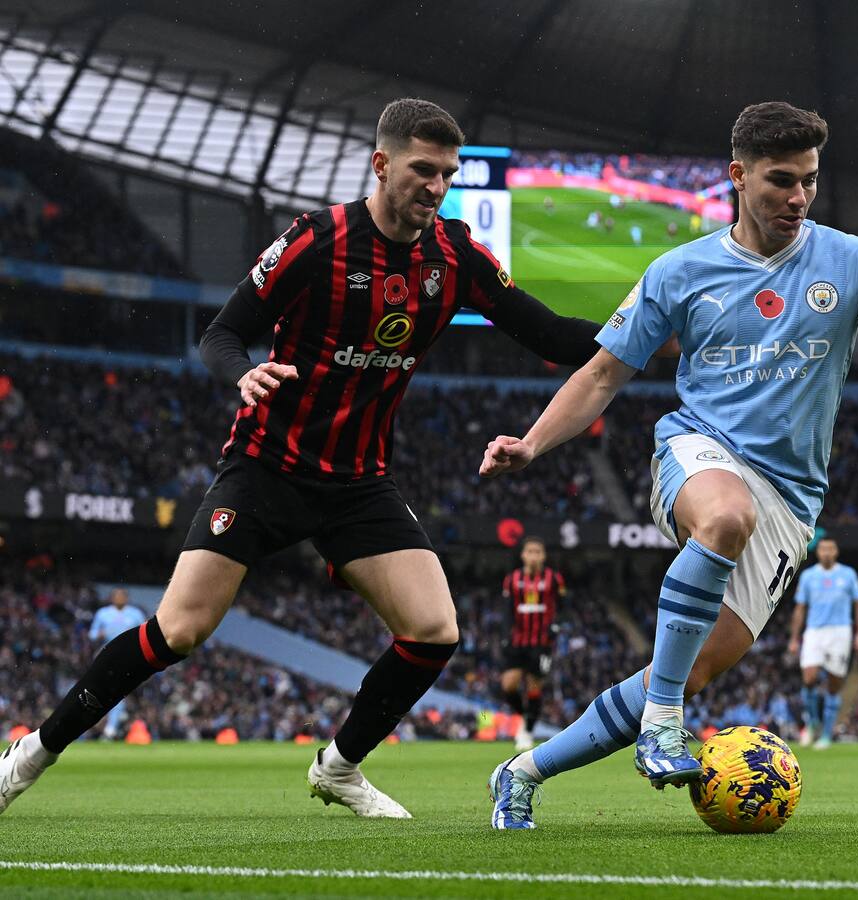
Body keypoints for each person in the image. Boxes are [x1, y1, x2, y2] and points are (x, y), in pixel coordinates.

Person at [0, 98, 607, 820]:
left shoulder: (455, 257)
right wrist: (242, 373)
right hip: (266, 468)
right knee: (180, 630)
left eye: (447, 173)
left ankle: (340, 766)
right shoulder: (316, 241)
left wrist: (649, 327)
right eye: (422, 170)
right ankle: (32, 752)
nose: (436, 187)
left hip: (357, 483)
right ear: (381, 165)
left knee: (435, 630)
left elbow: (551, 335)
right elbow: (224, 332)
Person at [481, 100, 858, 828]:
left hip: (793, 497)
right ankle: (663, 723)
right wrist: (532, 442)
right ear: (737, 176)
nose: (797, 197)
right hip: (699, 448)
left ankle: (521, 771)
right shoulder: (680, 271)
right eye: (779, 181)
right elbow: (602, 375)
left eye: (808, 180)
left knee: (693, 667)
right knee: (725, 516)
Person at [786, 537, 858, 749]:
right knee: (809, 678)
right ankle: (812, 722)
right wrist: (794, 638)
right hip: (814, 631)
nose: (827, 553)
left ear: (836, 551)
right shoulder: (808, 576)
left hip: (840, 631)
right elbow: (800, 608)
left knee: (833, 685)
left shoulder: (848, 574)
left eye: (830, 548)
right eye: (823, 549)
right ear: (818, 552)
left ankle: (826, 735)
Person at [499, 537, 565, 752]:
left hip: (541, 641)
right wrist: (504, 634)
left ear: (543, 556)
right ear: (523, 555)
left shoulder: (554, 579)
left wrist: (556, 626)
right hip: (518, 640)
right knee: (508, 685)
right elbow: (507, 610)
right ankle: (523, 715)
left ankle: (527, 730)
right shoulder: (512, 579)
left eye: (538, 551)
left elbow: (563, 606)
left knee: (534, 686)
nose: (534, 555)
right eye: (530, 551)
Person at [86, 588, 146, 741]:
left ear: (126, 598)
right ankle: (108, 725)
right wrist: (100, 634)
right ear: (111, 598)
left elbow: (145, 633)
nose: (119, 599)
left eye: (122, 596)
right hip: (106, 653)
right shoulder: (103, 613)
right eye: (116, 596)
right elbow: (92, 634)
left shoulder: (135, 614)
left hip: (128, 656)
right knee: (104, 691)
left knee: (118, 692)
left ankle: (111, 727)